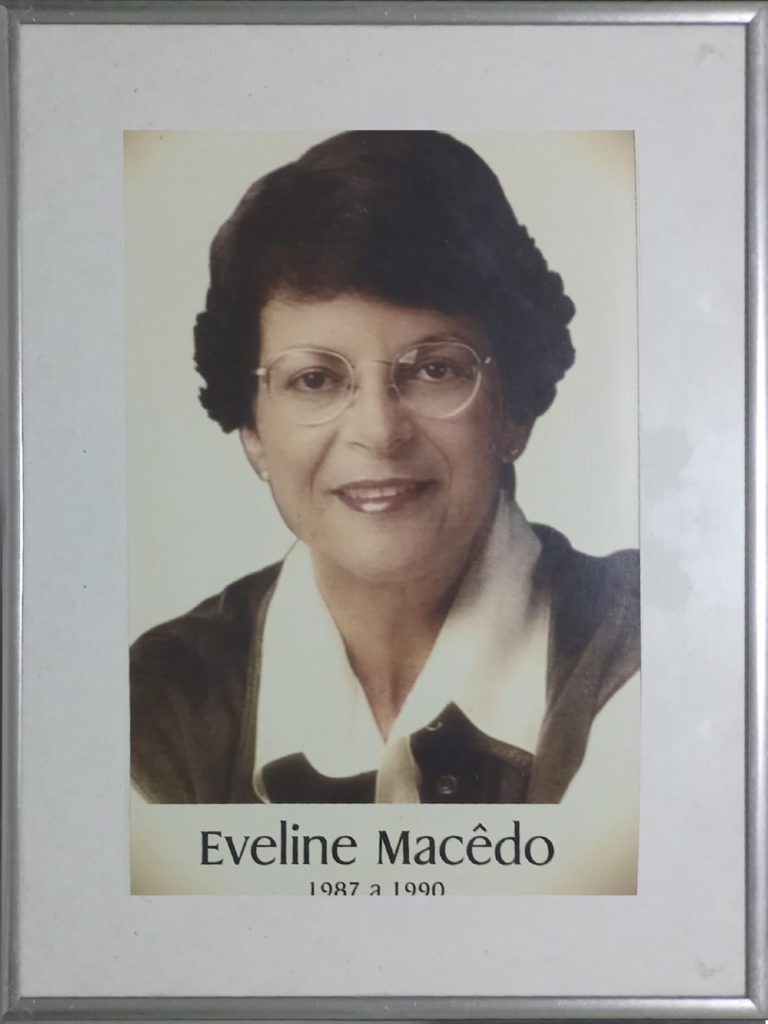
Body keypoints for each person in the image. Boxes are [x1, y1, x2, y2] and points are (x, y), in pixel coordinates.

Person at [130, 131, 640, 805]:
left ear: (514, 409)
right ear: (251, 431)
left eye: (435, 369)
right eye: (315, 379)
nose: (378, 431)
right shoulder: (155, 703)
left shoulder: (642, 648)